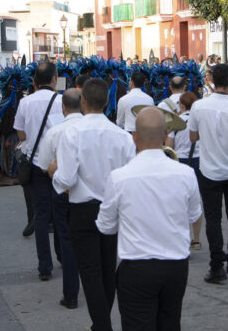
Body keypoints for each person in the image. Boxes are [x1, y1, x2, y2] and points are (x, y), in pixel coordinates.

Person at [96, 108, 202, 331]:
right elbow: (194, 216)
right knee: (170, 324)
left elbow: (106, 227)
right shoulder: (186, 173)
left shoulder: (119, 177)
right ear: (165, 134)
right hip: (176, 266)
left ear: (134, 136)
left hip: (137, 268)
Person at [49, 78, 135, 331]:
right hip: (113, 207)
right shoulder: (121, 136)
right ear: (108, 102)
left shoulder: (72, 133)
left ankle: (102, 325)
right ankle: (101, 324)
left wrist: (53, 172)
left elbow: (66, 177)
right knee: (107, 269)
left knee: (90, 272)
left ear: (83, 101)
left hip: (83, 209)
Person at [188, 63, 228, 284]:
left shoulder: (198, 107)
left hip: (209, 170)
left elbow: (193, 137)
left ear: (211, 81)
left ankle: (217, 265)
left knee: (213, 218)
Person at [13, 62, 63, 278]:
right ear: (54, 79)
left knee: (41, 215)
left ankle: (45, 267)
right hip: (59, 164)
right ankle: (63, 256)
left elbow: (21, 135)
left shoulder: (25, 102)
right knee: (61, 213)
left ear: (34, 80)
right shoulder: (62, 101)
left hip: (35, 164)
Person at [36, 89, 82, 309]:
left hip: (64, 192)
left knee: (68, 242)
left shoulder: (56, 131)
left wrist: (55, 167)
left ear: (64, 107)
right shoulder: (97, 129)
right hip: (94, 195)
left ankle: (71, 295)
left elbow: (44, 166)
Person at [165, 91, 203, 250]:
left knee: (178, 199)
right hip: (198, 161)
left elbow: (169, 146)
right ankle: (196, 240)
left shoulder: (176, 122)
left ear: (181, 104)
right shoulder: (200, 121)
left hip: (178, 160)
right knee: (196, 200)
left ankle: (181, 236)